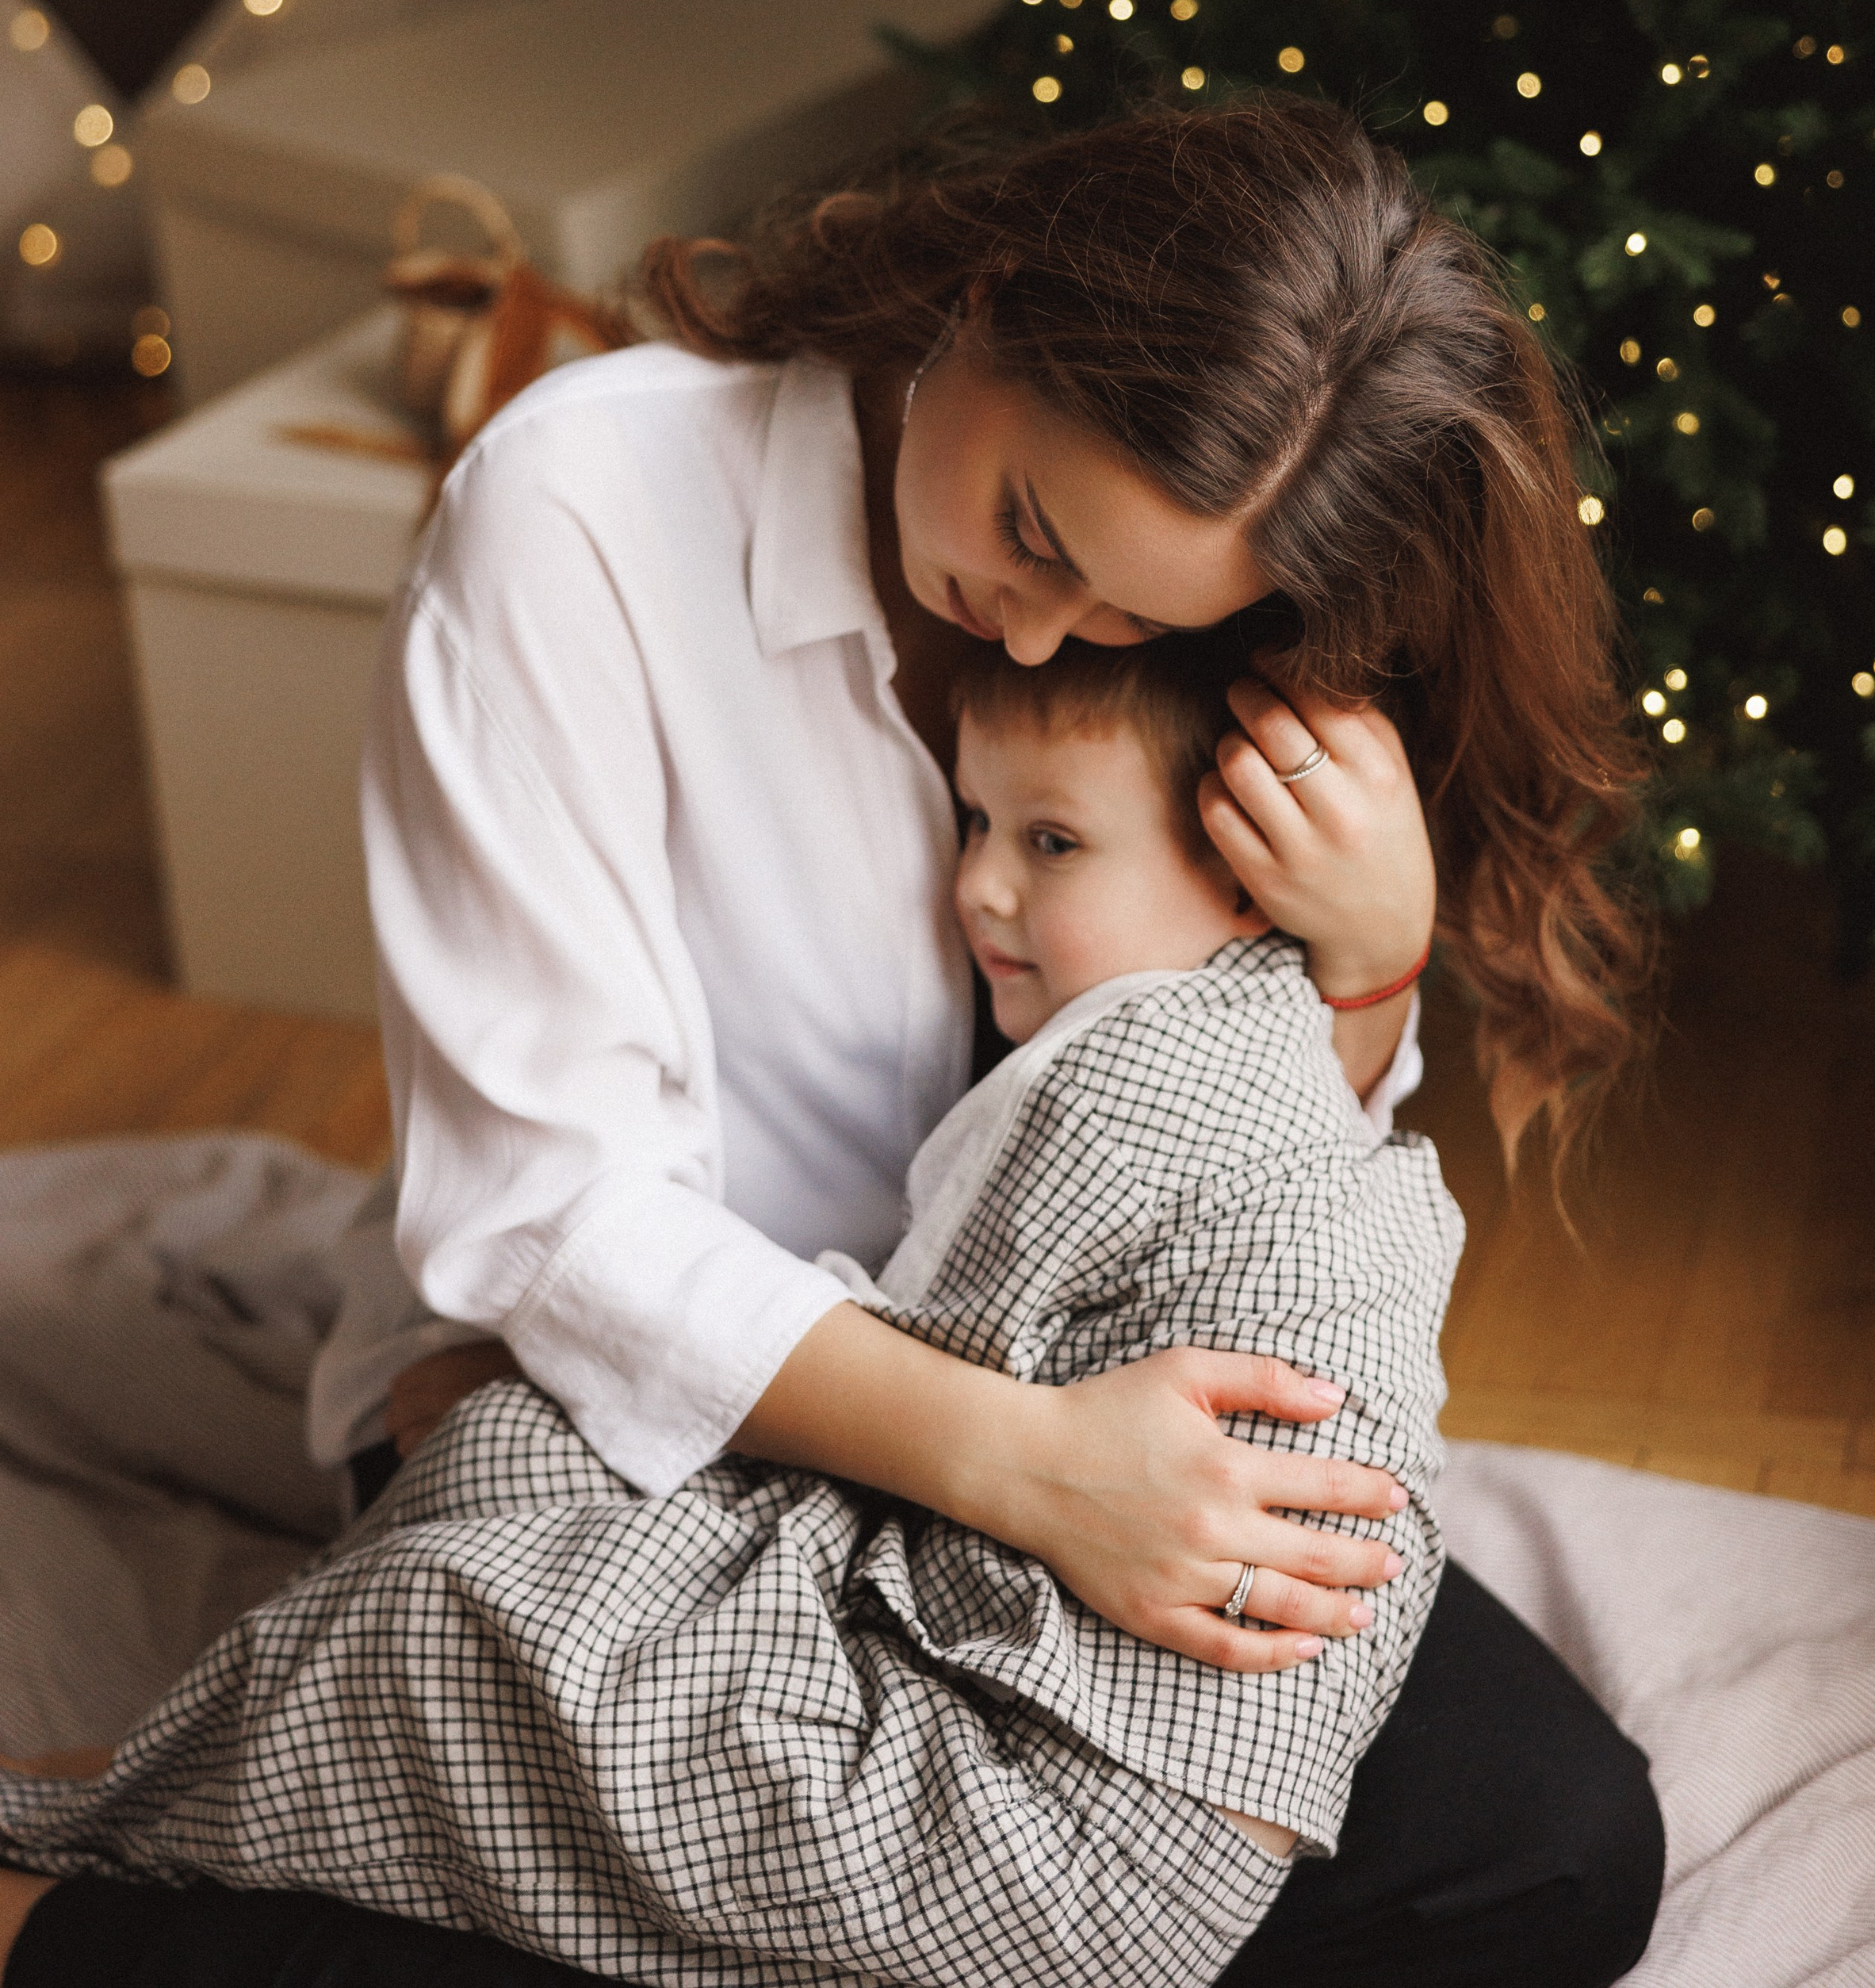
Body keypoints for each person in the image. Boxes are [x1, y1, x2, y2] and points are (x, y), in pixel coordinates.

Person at [0, 98, 1665, 1986]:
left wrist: (1367, 967)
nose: (1043, 633)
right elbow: (542, 1215)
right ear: (984, 293)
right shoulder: (577, 515)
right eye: (1029, 530)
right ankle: (74, 1934)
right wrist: (1026, 1465)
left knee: (1552, 1851)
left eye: (1128, 607)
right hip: (625, 1413)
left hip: (1072, 1414)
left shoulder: (1208, 575)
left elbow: (1201, 1105)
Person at [0, 638, 1466, 1986]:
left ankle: (128, 1815)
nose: (978, 888)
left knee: (468, 1616)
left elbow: (925, 1368)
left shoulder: (1127, 1089)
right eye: (974, 825)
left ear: (1239, 875)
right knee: (526, 1461)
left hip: (1069, 1825)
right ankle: (192, 1790)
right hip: (1126, 1732)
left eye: (1052, 840)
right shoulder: (1240, 1026)